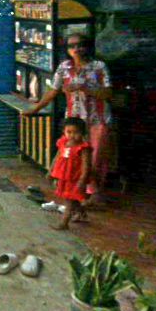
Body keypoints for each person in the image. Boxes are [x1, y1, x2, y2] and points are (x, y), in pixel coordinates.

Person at [26, 33, 113, 203]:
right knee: (72, 156)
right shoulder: (64, 67)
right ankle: (76, 193)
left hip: (97, 119)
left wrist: (85, 88)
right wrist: (35, 109)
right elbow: (53, 90)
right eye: (71, 46)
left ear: (87, 47)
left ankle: (92, 193)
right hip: (74, 121)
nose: (76, 49)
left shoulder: (99, 67)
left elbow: (108, 93)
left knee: (95, 158)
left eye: (80, 45)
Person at [48, 117, 92, 230]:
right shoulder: (63, 142)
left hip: (75, 178)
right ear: (64, 131)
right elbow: (57, 157)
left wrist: (82, 180)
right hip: (64, 177)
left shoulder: (83, 148)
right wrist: (51, 170)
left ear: (82, 133)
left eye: (76, 132)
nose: (72, 135)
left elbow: (86, 166)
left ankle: (64, 222)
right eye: (69, 132)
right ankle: (82, 212)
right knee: (72, 198)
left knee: (69, 200)